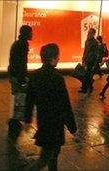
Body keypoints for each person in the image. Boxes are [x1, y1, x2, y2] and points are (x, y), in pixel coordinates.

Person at [25, 43, 77, 171]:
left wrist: (27, 119)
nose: (59, 58)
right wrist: (72, 126)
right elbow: (65, 104)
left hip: (43, 120)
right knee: (45, 157)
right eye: (58, 56)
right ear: (53, 58)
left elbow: (29, 100)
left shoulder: (35, 75)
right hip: (55, 123)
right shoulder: (57, 78)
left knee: (53, 154)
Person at [7, 25, 32, 132]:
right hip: (17, 75)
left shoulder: (18, 43)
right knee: (18, 97)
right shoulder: (22, 44)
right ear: (27, 33)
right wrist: (22, 78)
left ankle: (14, 120)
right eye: (31, 32)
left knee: (16, 96)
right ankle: (14, 120)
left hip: (14, 74)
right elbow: (20, 63)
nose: (32, 34)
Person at [80, 28, 98, 93]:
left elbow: (94, 54)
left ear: (93, 34)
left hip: (90, 61)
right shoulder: (87, 41)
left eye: (90, 33)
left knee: (87, 75)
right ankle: (86, 88)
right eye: (88, 32)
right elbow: (85, 51)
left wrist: (89, 62)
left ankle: (88, 88)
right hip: (86, 60)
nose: (88, 34)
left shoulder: (95, 42)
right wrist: (83, 59)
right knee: (86, 75)